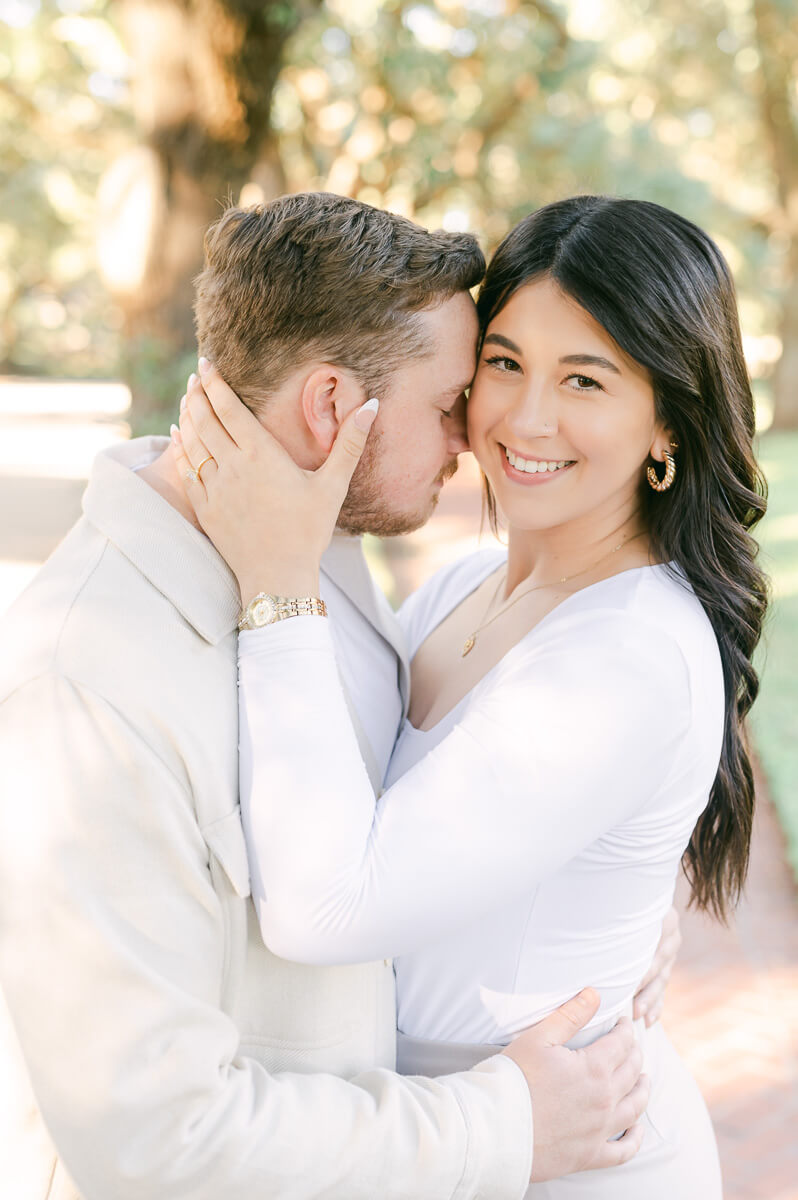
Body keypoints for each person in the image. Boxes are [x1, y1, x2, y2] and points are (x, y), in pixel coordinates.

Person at [0, 193, 665, 1200]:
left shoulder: (323, 552)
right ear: (328, 408)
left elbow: (385, 823)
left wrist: (590, 921)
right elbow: (153, 1141)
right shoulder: (87, 687)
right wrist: (506, 1124)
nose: (469, 441)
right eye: (450, 404)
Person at [173, 194, 769, 1197]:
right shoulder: (460, 588)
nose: (525, 419)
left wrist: (279, 584)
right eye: (505, 363)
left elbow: (327, 909)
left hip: (568, 1157)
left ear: (669, 417)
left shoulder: (626, 652)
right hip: (448, 1136)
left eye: (586, 379)